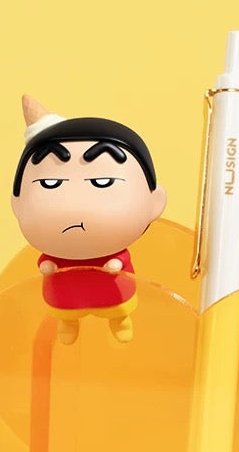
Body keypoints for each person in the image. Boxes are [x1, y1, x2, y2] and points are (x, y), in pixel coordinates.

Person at [11, 95, 167, 344]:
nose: (74, 204)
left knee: (117, 308)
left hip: (113, 292)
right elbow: (46, 262)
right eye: (50, 183)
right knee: (65, 310)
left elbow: (120, 261)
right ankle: (67, 323)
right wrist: (48, 266)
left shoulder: (115, 250)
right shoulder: (55, 251)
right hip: (65, 293)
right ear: (16, 203)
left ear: (155, 202)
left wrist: (114, 265)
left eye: (102, 182)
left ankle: (120, 319)